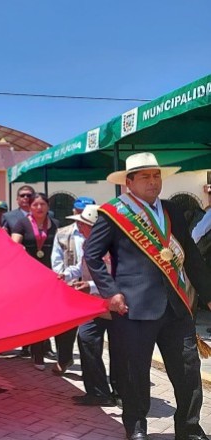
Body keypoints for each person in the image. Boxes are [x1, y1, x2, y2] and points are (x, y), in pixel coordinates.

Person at [85, 152, 211, 440]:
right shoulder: (113, 213)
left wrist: (208, 294)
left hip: (177, 306)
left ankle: (189, 428)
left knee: (188, 372)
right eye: (145, 177)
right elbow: (92, 256)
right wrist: (111, 293)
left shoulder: (172, 211)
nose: (153, 182)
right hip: (132, 309)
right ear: (129, 182)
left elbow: (190, 256)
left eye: (156, 176)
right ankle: (136, 426)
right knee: (134, 374)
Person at [64, 205, 119, 407]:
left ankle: (120, 392)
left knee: (119, 350)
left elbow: (115, 276)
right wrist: (66, 274)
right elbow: (81, 267)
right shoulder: (88, 244)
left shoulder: (114, 247)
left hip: (114, 306)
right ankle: (97, 391)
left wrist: (91, 285)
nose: (79, 226)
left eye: (83, 223)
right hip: (93, 305)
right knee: (86, 339)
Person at [11, 193, 59, 371]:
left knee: (47, 315)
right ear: (30, 207)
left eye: (42, 204)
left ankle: (45, 350)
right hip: (29, 276)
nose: (39, 208)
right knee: (35, 315)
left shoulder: (55, 224)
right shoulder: (22, 223)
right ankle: (37, 354)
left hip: (50, 275)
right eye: (35, 205)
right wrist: (19, 247)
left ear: (48, 206)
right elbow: (14, 244)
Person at [49, 196, 96, 375]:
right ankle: (64, 358)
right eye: (79, 212)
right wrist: (65, 278)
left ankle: (91, 369)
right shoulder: (63, 233)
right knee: (65, 326)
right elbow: (57, 260)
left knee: (88, 332)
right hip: (70, 285)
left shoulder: (99, 234)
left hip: (93, 287)